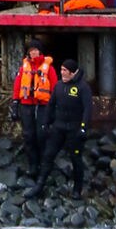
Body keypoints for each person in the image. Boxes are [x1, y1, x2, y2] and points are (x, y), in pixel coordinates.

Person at [29, 58, 93, 196]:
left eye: (65, 71)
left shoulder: (83, 88)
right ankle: (39, 185)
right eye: (61, 70)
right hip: (59, 127)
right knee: (48, 155)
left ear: (73, 73)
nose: (62, 73)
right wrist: (45, 123)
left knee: (75, 158)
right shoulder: (58, 86)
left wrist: (83, 127)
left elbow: (88, 109)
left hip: (74, 129)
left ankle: (77, 189)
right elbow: (51, 105)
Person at [11, 40, 57, 179]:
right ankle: (32, 165)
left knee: (42, 134)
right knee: (28, 135)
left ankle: (45, 163)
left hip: (43, 105)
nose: (33, 52)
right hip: (26, 104)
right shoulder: (23, 68)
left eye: (36, 50)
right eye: (31, 50)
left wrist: (55, 106)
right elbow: (17, 86)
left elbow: (55, 86)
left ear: (40, 51)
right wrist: (15, 103)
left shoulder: (49, 68)